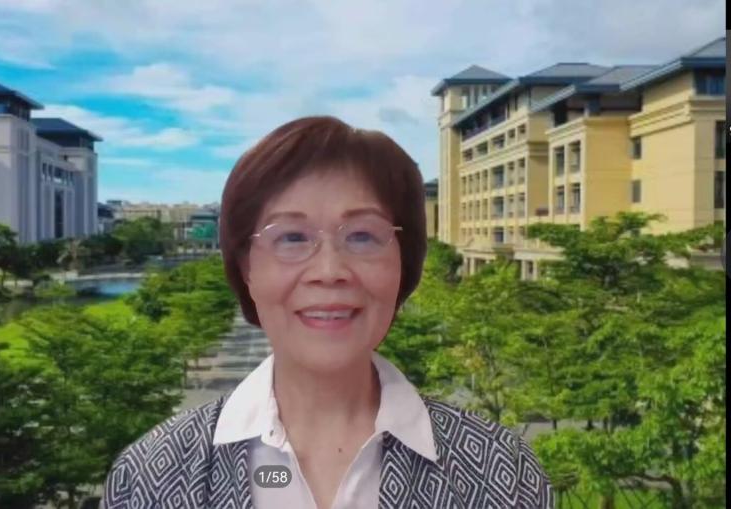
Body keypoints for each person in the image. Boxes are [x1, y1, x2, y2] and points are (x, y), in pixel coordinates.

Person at [102, 116, 553, 508]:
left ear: (404, 262)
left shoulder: (501, 473)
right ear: (246, 268)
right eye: (292, 238)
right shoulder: (150, 477)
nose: (329, 271)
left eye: (362, 236)